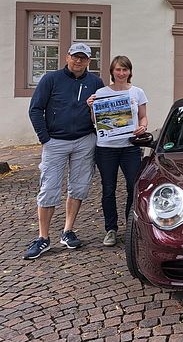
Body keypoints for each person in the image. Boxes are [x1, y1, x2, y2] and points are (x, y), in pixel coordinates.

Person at [25, 43, 105, 259]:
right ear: (67, 57)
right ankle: (43, 237)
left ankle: (68, 231)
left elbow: (102, 112)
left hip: (84, 140)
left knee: (78, 187)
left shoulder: (95, 82)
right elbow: (35, 109)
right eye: (75, 57)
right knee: (49, 187)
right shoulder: (50, 80)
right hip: (55, 142)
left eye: (83, 58)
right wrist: (45, 138)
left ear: (89, 61)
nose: (78, 61)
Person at [86, 56, 148, 247]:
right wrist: (91, 107)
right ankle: (110, 229)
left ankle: (131, 225)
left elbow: (144, 117)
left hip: (130, 147)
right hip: (106, 148)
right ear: (112, 72)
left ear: (130, 72)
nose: (121, 73)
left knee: (133, 187)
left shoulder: (137, 92)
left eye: (125, 70)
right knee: (108, 189)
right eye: (118, 70)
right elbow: (96, 121)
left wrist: (142, 128)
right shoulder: (101, 92)